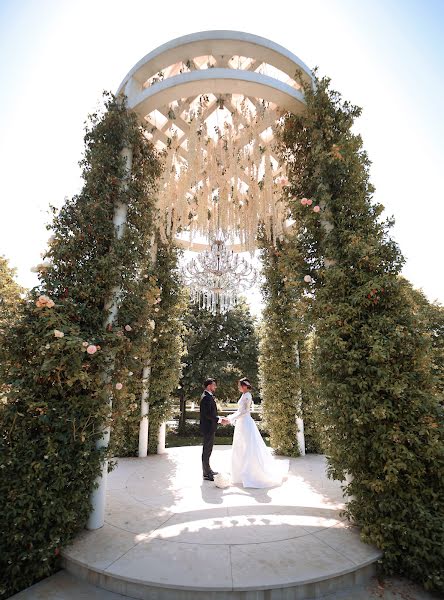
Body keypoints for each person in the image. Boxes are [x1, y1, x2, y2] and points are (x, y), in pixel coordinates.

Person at [220, 377, 289, 488]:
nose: (238, 387)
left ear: (244, 386)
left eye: (239, 385)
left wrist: (230, 419)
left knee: (248, 447)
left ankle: (249, 472)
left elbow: (244, 412)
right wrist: (230, 417)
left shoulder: (248, 396)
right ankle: (239, 472)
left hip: (245, 423)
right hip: (241, 423)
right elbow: (239, 411)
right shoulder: (243, 395)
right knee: (240, 446)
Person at [199, 378, 220, 481]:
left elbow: (211, 412)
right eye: (214, 385)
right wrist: (219, 420)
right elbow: (207, 415)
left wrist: (219, 418)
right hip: (208, 428)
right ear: (209, 386)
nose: (215, 387)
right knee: (207, 450)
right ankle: (206, 473)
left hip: (210, 427)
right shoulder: (206, 398)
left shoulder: (208, 396)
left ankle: (208, 470)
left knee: (208, 450)